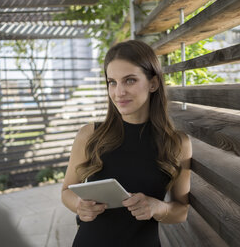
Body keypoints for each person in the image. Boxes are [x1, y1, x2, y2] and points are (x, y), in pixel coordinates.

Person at [61, 40, 191, 247]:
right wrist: (79, 205)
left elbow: (181, 210)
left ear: (153, 83)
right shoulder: (90, 135)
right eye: (112, 82)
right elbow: (66, 191)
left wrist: (158, 208)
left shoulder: (177, 143)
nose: (118, 92)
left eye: (129, 80)